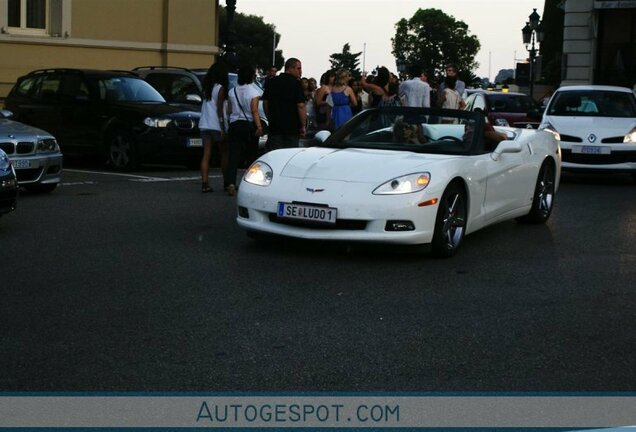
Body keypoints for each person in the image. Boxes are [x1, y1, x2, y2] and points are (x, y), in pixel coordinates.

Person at [226, 65, 264, 196]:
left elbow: (229, 111)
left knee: (233, 156)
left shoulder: (232, 91)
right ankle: (250, 184)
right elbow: (254, 111)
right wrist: (259, 127)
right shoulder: (254, 92)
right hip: (248, 125)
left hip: (235, 124)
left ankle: (230, 182)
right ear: (251, 77)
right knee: (251, 155)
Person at [262, 58, 307, 149]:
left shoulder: (271, 82)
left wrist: (269, 117)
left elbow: (265, 102)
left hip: (275, 127)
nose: (300, 71)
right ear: (290, 68)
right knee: (289, 156)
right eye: (298, 68)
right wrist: (303, 125)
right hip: (292, 128)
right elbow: (301, 106)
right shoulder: (296, 84)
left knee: (275, 155)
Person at [198, 61, 229, 193]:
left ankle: (205, 183)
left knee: (206, 154)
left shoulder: (207, 88)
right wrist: (222, 127)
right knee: (224, 153)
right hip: (216, 125)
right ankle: (227, 182)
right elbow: (219, 109)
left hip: (204, 124)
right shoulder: (220, 88)